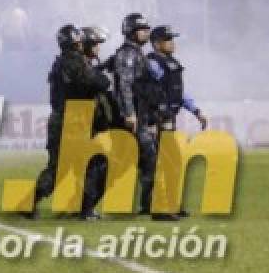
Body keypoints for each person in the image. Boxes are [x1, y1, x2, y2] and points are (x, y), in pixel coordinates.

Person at [30, 24, 112, 219]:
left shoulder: (65, 62)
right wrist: (102, 73)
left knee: (65, 168)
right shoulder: (73, 61)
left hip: (70, 120)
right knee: (94, 164)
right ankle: (84, 208)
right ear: (77, 42)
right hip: (73, 122)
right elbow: (98, 82)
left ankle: (80, 207)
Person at [145, 25, 209, 220]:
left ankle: (169, 205)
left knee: (172, 162)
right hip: (155, 119)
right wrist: (150, 120)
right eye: (168, 39)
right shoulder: (152, 64)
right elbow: (147, 93)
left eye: (172, 39)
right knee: (162, 164)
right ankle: (160, 208)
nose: (172, 43)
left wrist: (195, 110)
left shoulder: (171, 63)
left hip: (167, 118)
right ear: (157, 43)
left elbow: (178, 93)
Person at [108, 12, 159, 218]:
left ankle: (147, 205)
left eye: (147, 29)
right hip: (132, 117)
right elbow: (125, 85)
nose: (146, 32)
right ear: (131, 31)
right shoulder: (128, 54)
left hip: (141, 115)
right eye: (142, 29)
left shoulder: (137, 53)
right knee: (142, 159)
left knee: (143, 160)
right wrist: (130, 113)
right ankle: (87, 202)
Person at [79, 25, 115, 220]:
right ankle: (85, 209)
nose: (98, 48)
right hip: (84, 124)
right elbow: (101, 85)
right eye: (95, 44)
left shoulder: (87, 66)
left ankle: (86, 208)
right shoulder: (82, 67)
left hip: (92, 123)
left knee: (97, 164)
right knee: (98, 164)